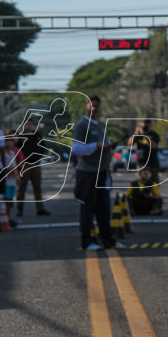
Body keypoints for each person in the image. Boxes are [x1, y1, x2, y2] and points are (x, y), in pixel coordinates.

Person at [72, 95, 122, 251]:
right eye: (91, 106)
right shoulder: (81, 125)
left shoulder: (101, 125)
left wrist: (108, 147)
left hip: (103, 171)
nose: (94, 108)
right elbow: (76, 149)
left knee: (104, 207)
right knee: (87, 207)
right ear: (86, 107)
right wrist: (96, 145)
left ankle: (108, 240)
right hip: (87, 172)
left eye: (97, 106)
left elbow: (103, 146)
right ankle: (86, 241)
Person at [12, 117, 52, 217]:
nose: (28, 126)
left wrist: (38, 156)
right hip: (24, 164)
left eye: (30, 124)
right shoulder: (20, 136)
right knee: (22, 187)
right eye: (26, 124)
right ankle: (20, 209)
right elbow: (15, 147)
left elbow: (43, 147)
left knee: (37, 187)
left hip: (35, 164)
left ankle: (40, 209)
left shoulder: (37, 135)